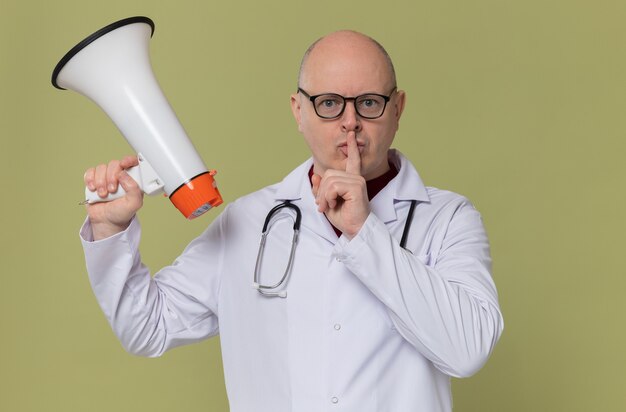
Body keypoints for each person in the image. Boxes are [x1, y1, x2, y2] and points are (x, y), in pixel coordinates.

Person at [81, 30, 503, 412]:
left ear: (398, 109)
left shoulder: (448, 219)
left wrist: (363, 233)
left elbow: (467, 351)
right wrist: (110, 230)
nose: (350, 122)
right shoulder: (248, 222)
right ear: (298, 111)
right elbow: (148, 328)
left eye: (369, 103)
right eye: (329, 103)